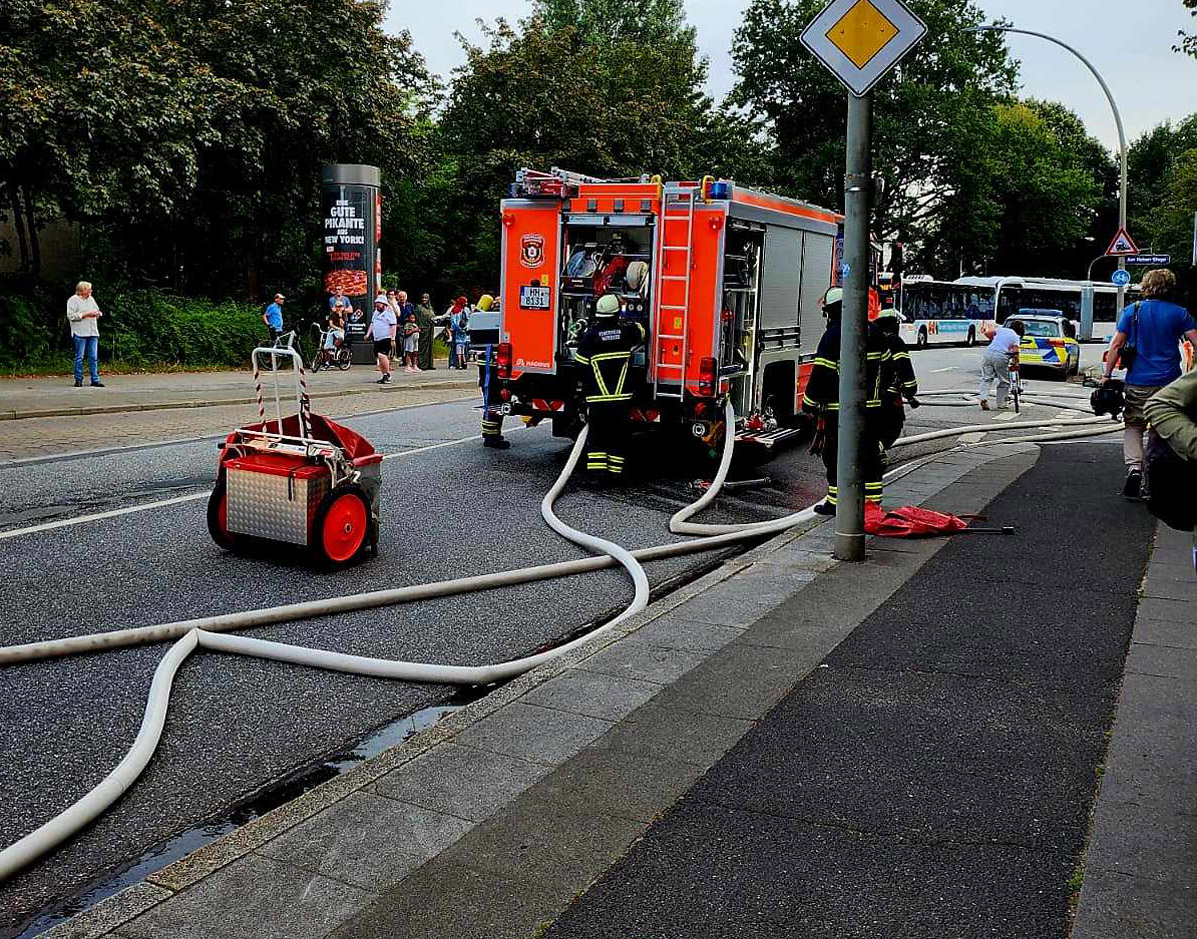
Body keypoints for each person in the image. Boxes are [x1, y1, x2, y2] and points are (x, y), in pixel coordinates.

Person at [1103, 268, 1197, 499]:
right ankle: (1153, 481)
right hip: (1170, 383)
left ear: (1146, 286)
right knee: (1160, 431)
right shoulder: (1180, 313)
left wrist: (1107, 375)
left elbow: (1116, 345)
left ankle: (1134, 468)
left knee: (1133, 425)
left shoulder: (1132, 311)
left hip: (1137, 381)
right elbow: (1196, 342)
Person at [801, 287, 893, 513]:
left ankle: (835, 502)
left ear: (833, 311)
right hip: (872, 411)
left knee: (835, 455)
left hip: (840, 411)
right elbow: (889, 370)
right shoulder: (874, 332)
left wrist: (809, 403)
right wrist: (878, 396)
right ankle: (871, 504)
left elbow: (821, 374)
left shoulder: (833, 335)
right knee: (869, 454)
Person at [574, 293, 646, 478]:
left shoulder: (590, 337)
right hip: (621, 400)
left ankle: (597, 475)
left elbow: (579, 365)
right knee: (618, 437)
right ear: (616, 314)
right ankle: (615, 475)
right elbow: (642, 332)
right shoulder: (626, 333)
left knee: (597, 436)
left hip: (597, 398)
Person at [872, 309, 920, 449]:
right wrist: (910, 392)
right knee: (893, 427)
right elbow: (904, 369)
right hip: (889, 397)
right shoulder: (895, 341)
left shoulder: (870, 339)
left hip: (869, 395)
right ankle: (878, 452)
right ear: (894, 324)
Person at [976, 319, 1025, 411]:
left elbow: (988, 333)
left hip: (988, 353)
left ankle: (983, 398)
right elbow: (1015, 351)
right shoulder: (1016, 337)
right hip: (1001, 355)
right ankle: (1001, 403)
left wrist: (995, 340)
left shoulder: (1001, 330)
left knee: (987, 378)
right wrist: (1016, 362)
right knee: (1004, 381)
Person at [66, 280, 104, 388]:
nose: (90, 291)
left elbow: (96, 310)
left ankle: (95, 379)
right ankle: (78, 379)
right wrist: (85, 314)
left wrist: (97, 314)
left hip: (92, 331)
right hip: (80, 332)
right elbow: (71, 316)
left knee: (93, 356)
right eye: (88, 289)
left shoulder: (91, 299)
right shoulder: (73, 300)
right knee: (79, 357)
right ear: (83, 290)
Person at [368, 294, 397, 384]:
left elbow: (393, 326)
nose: (377, 306)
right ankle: (384, 374)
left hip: (386, 337)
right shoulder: (375, 313)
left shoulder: (389, 313)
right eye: (376, 304)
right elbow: (372, 323)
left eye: (379, 304)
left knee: (382, 355)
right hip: (377, 338)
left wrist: (393, 338)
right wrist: (368, 333)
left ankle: (387, 374)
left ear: (384, 304)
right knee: (379, 357)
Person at [415, 293, 436, 370]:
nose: (424, 299)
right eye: (423, 298)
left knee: (430, 347)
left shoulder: (430, 308)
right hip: (422, 329)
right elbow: (416, 318)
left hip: (430, 329)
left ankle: (429, 364)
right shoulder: (419, 308)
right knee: (422, 348)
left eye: (426, 298)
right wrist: (417, 327)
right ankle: (422, 364)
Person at [451, 302, 471, 369]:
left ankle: (459, 365)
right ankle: (465, 363)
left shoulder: (457, 330)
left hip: (458, 342)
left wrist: (457, 327)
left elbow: (454, 322)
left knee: (459, 354)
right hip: (464, 342)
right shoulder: (464, 330)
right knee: (463, 353)